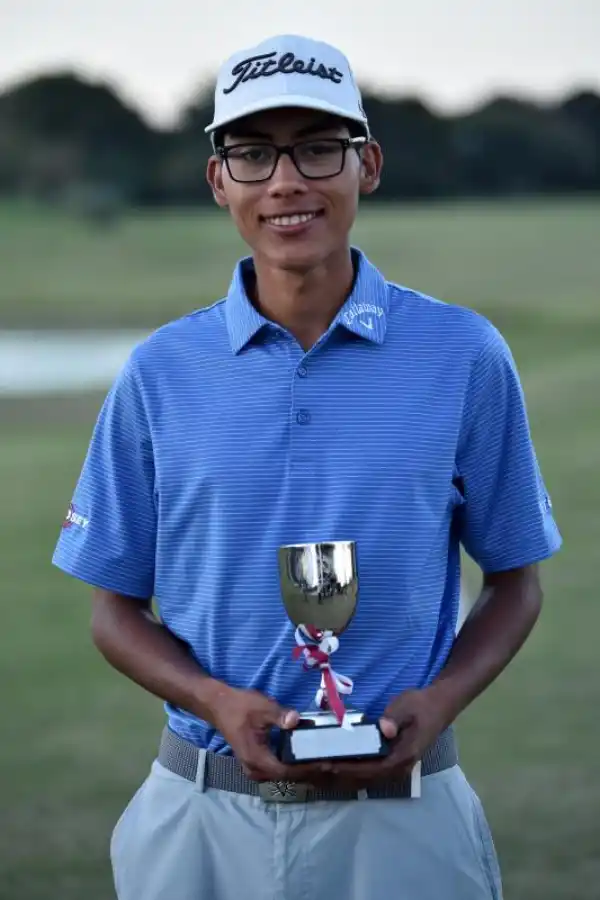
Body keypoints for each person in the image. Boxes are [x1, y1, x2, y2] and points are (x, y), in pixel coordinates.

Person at [52, 33, 562, 900]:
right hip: (203, 814)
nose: (286, 181)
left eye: (318, 148)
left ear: (368, 164)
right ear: (219, 181)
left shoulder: (463, 354)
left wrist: (438, 701)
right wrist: (215, 700)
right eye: (253, 154)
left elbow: (516, 581)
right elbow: (113, 611)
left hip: (405, 818)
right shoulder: (160, 371)